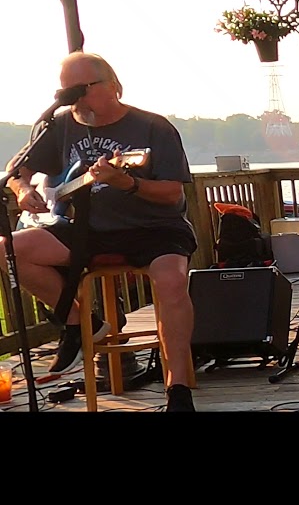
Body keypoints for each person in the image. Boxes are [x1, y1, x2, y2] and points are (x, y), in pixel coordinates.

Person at [2, 52, 199, 411]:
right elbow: (18, 169)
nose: (74, 99)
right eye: (66, 92)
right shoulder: (59, 125)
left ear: (111, 86)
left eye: (81, 89)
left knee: (171, 281)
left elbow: (173, 193)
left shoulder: (152, 127)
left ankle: (179, 389)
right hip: (85, 229)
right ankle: (82, 322)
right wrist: (23, 189)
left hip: (155, 228)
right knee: (7, 249)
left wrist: (128, 184)